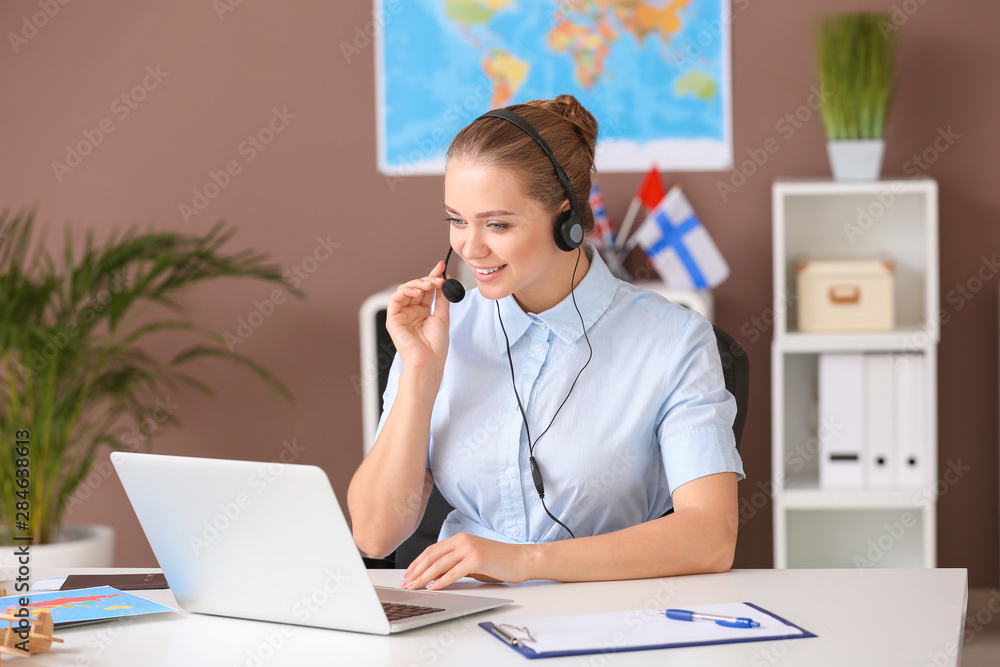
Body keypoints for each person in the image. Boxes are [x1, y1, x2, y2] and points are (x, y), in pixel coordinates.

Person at [348, 95, 744, 592]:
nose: (469, 249)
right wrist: (420, 375)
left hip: (611, 616)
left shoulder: (672, 340)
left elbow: (710, 537)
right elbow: (374, 535)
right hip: (463, 620)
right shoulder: (441, 332)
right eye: (456, 220)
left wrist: (527, 561)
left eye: (497, 224)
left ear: (566, 221)